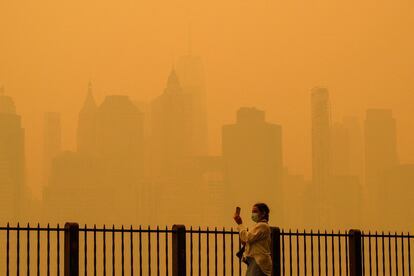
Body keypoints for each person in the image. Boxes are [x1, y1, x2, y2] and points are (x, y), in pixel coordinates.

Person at [233, 203, 272, 276]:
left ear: (263, 213)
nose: (253, 214)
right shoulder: (258, 226)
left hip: (258, 262)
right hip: (254, 261)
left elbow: (247, 238)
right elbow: (245, 241)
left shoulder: (263, 226)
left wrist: (240, 224)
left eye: (255, 211)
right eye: (252, 212)